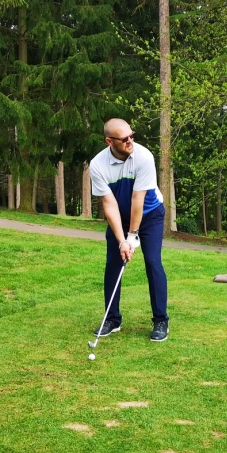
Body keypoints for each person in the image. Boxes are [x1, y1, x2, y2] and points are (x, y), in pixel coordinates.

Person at [89, 118, 169, 342]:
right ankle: (112, 319)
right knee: (113, 264)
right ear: (110, 141)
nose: (130, 141)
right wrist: (121, 240)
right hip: (120, 217)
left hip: (150, 214)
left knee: (153, 261)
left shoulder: (144, 156)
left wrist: (132, 236)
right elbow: (109, 205)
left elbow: (138, 199)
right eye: (124, 139)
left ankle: (161, 320)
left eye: (132, 136)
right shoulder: (97, 165)